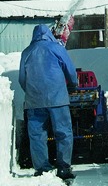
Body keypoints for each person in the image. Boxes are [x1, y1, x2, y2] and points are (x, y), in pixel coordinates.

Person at [19, 24, 78, 180]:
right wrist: (73, 85)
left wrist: (32, 93)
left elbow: (22, 79)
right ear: (49, 34)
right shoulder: (56, 48)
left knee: (37, 136)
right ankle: (64, 169)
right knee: (63, 133)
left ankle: (42, 170)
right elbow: (70, 70)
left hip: (34, 102)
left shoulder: (26, 52)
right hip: (58, 99)